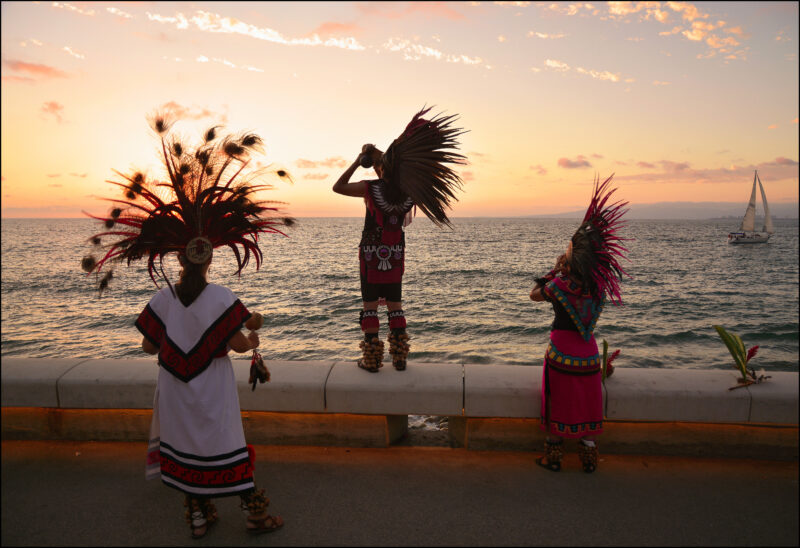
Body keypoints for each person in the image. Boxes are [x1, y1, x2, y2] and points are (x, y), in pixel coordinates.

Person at [80, 111, 292, 538]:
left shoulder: (164, 298)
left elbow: (147, 348)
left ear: (179, 258)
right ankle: (254, 514)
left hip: (174, 388)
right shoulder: (221, 297)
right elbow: (236, 345)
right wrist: (253, 338)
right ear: (211, 256)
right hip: (212, 388)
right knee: (225, 448)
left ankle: (197, 518)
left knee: (188, 452)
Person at [332, 107, 466, 372]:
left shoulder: (370, 188)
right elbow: (390, 169)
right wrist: (378, 156)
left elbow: (338, 187)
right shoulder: (409, 192)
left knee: (370, 305)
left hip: (371, 253)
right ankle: (400, 358)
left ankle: (371, 360)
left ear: (381, 169)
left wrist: (359, 161)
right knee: (396, 305)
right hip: (395, 252)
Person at [529, 174, 629, 473]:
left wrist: (554, 271)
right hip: (587, 354)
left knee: (557, 402)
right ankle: (589, 461)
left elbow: (534, 295)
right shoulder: (597, 290)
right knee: (587, 404)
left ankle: (553, 458)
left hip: (561, 352)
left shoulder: (559, 286)